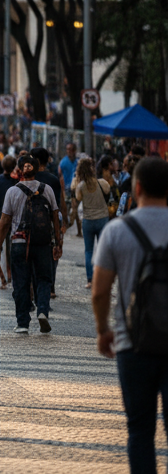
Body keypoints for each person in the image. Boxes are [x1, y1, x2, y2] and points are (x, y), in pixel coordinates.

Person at [91, 155, 168, 474]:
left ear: (136, 188)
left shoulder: (117, 231)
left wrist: (103, 330)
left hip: (132, 342)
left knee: (139, 430)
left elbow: (99, 291)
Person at [0, 154, 62, 334]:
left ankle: (23, 322)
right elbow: (55, 217)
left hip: (19, 243)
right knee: (44, 279)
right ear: (37, 168)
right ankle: (42, 311)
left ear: (19, 171)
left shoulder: (12, 191)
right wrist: (58, 242)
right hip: (42, 242)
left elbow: (4, 222)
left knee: (21, 282)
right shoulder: (46, 189)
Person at [72, 156, 113, 289]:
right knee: (102, 250)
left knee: (88, 250)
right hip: (103, 219)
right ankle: (102, 279)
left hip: (88, 221)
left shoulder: (81, 186)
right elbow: (109, 190)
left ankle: (90, 280)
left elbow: (78, 198)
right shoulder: (102, 183)